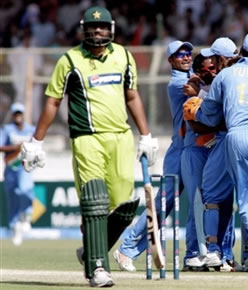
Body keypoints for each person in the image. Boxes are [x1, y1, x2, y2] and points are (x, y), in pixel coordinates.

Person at [20, 6, 158, 287]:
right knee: (94, 201)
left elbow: (132, 97)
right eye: (93, 27)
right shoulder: (69, 60)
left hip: (120, 137)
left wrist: (146, 135)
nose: (98, 31)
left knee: (126, 205)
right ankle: (98, 268)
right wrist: (36, 141)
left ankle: (91, 250)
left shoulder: (123, 56)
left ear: (112, 29)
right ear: (84, 29)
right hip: (87, 138)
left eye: (103, 27)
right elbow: (52, 101)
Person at [184, 32, 248, 272]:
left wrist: (194, 108)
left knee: (243, 196)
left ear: (239, 52)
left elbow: (209, 114)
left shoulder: (226, 76)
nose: (211, 64)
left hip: (234, 137)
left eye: (215, 58)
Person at [113, 40, 193, 272]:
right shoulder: (178, 83)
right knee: (161, 205)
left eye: (189, 53)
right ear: (171, 61)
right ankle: (126, 249)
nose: (186, 57)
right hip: (179, 151)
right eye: (180, 55)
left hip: (190, 148)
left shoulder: (192, 75)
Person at [0, 103, 36, 246]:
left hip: (24, 166)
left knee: (24, 188)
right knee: (12, 196)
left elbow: (37, 145)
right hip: (10, 167)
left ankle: (26, 216)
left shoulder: (31, 129)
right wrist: (16, 147)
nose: (18, 116)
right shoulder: (7, 129)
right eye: (15, 113)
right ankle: (15, 227)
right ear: (13, 115)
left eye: (20, 113)